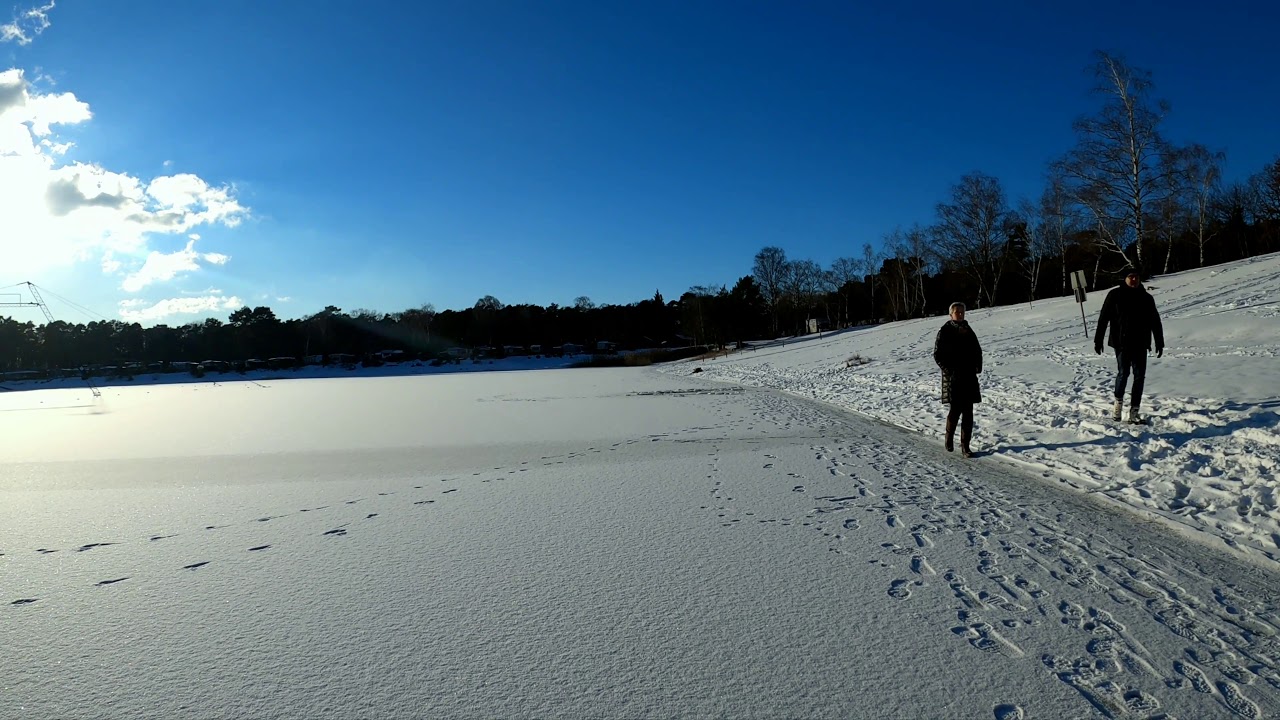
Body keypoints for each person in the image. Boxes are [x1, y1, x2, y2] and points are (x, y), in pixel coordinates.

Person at [1094, 267, 1165, 424]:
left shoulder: (1146, 298)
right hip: (1121, 343)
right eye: (1131, 277)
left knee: (1139, 376)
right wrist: (1098, 340)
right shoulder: (1115, 295)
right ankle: (1118, 405)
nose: (1134, 279)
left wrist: (1159, 342)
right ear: (1125, 278)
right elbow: (1103, 318)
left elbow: (1155, 321)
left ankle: (1134, 411)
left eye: (1136, 277)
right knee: (1123, 373)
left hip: (1140, 343)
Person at [934, 302, 983, 458]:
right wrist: (949, 370)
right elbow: (938, 354)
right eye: (957, 312)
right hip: (953, 377)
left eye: (962, 312)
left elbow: (977, 350)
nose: (960, 314)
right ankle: (949, 438)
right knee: (955, 410)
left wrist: (977, 366)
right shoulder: (945, 331)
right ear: (951, 314)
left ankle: (965, 446)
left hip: (968, 375)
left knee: (968, 412)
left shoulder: (968, 330)